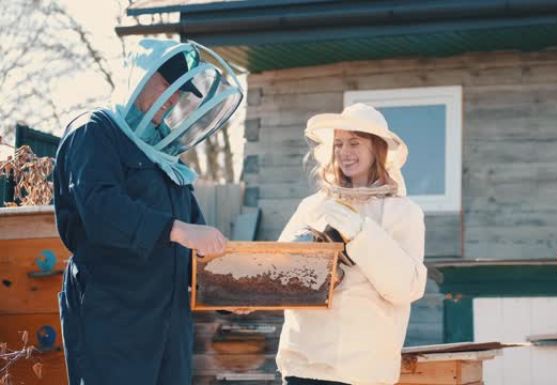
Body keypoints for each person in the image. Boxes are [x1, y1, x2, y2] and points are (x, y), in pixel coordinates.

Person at [53, 39, 243, 385]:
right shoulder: (93, 133)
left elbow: (195, 239)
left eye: (179, 92)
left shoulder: (165, 152)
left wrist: (227, 293)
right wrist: (176, 230)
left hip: (168, 326)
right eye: (166, 86)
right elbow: (100, 209)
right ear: (139, 78)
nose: (172, 99)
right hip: (111, 321)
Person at [276, 103, 427, 385]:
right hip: (304, 366)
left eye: (355, 143)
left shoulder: (402, 213)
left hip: (362, 372)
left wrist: (360, 234)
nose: (345, 152)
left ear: (378, 149)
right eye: (339, 143)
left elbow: (406, 287)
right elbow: (277, 274)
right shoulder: (314, 207)